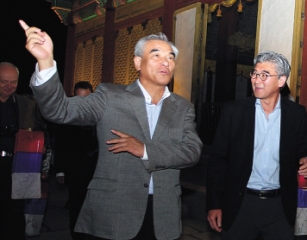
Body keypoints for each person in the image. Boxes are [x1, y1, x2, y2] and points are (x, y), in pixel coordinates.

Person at [20, 20, 203, 240]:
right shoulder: (110, 96)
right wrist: (46, 61)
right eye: (156, 55)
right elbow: (59, 110)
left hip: (163, 216)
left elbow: (192, 151)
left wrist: (145, 150)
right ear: (137, 62)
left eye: (170, 57)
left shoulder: (183, 107)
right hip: (114, 211)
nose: (166, 62)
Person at [206, 51, 307, 240]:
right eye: (254, 74)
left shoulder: (296, 115)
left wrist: (306, 159)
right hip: (240, 203)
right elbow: (218, 160)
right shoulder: (234, 112)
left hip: (279, 206)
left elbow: (302, 148)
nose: (256, 80)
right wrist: (214, 203)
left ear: (281, 80)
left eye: (264, 75)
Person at [0, 62, 50, 240]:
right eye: (4, 82)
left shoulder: (25, 104)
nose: (9, 86)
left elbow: (41, 129)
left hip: (18, 168)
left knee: (15, 214)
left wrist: (39, 145)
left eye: (13, 82)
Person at [55, 81, 97, 240]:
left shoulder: (99, 114)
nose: (82, 102)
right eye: (79, 98)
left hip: (96, 170)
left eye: (86, 98)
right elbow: (60, 145)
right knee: (77, 206)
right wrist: (60, 169)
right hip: (75, 170)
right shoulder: (67, 117)